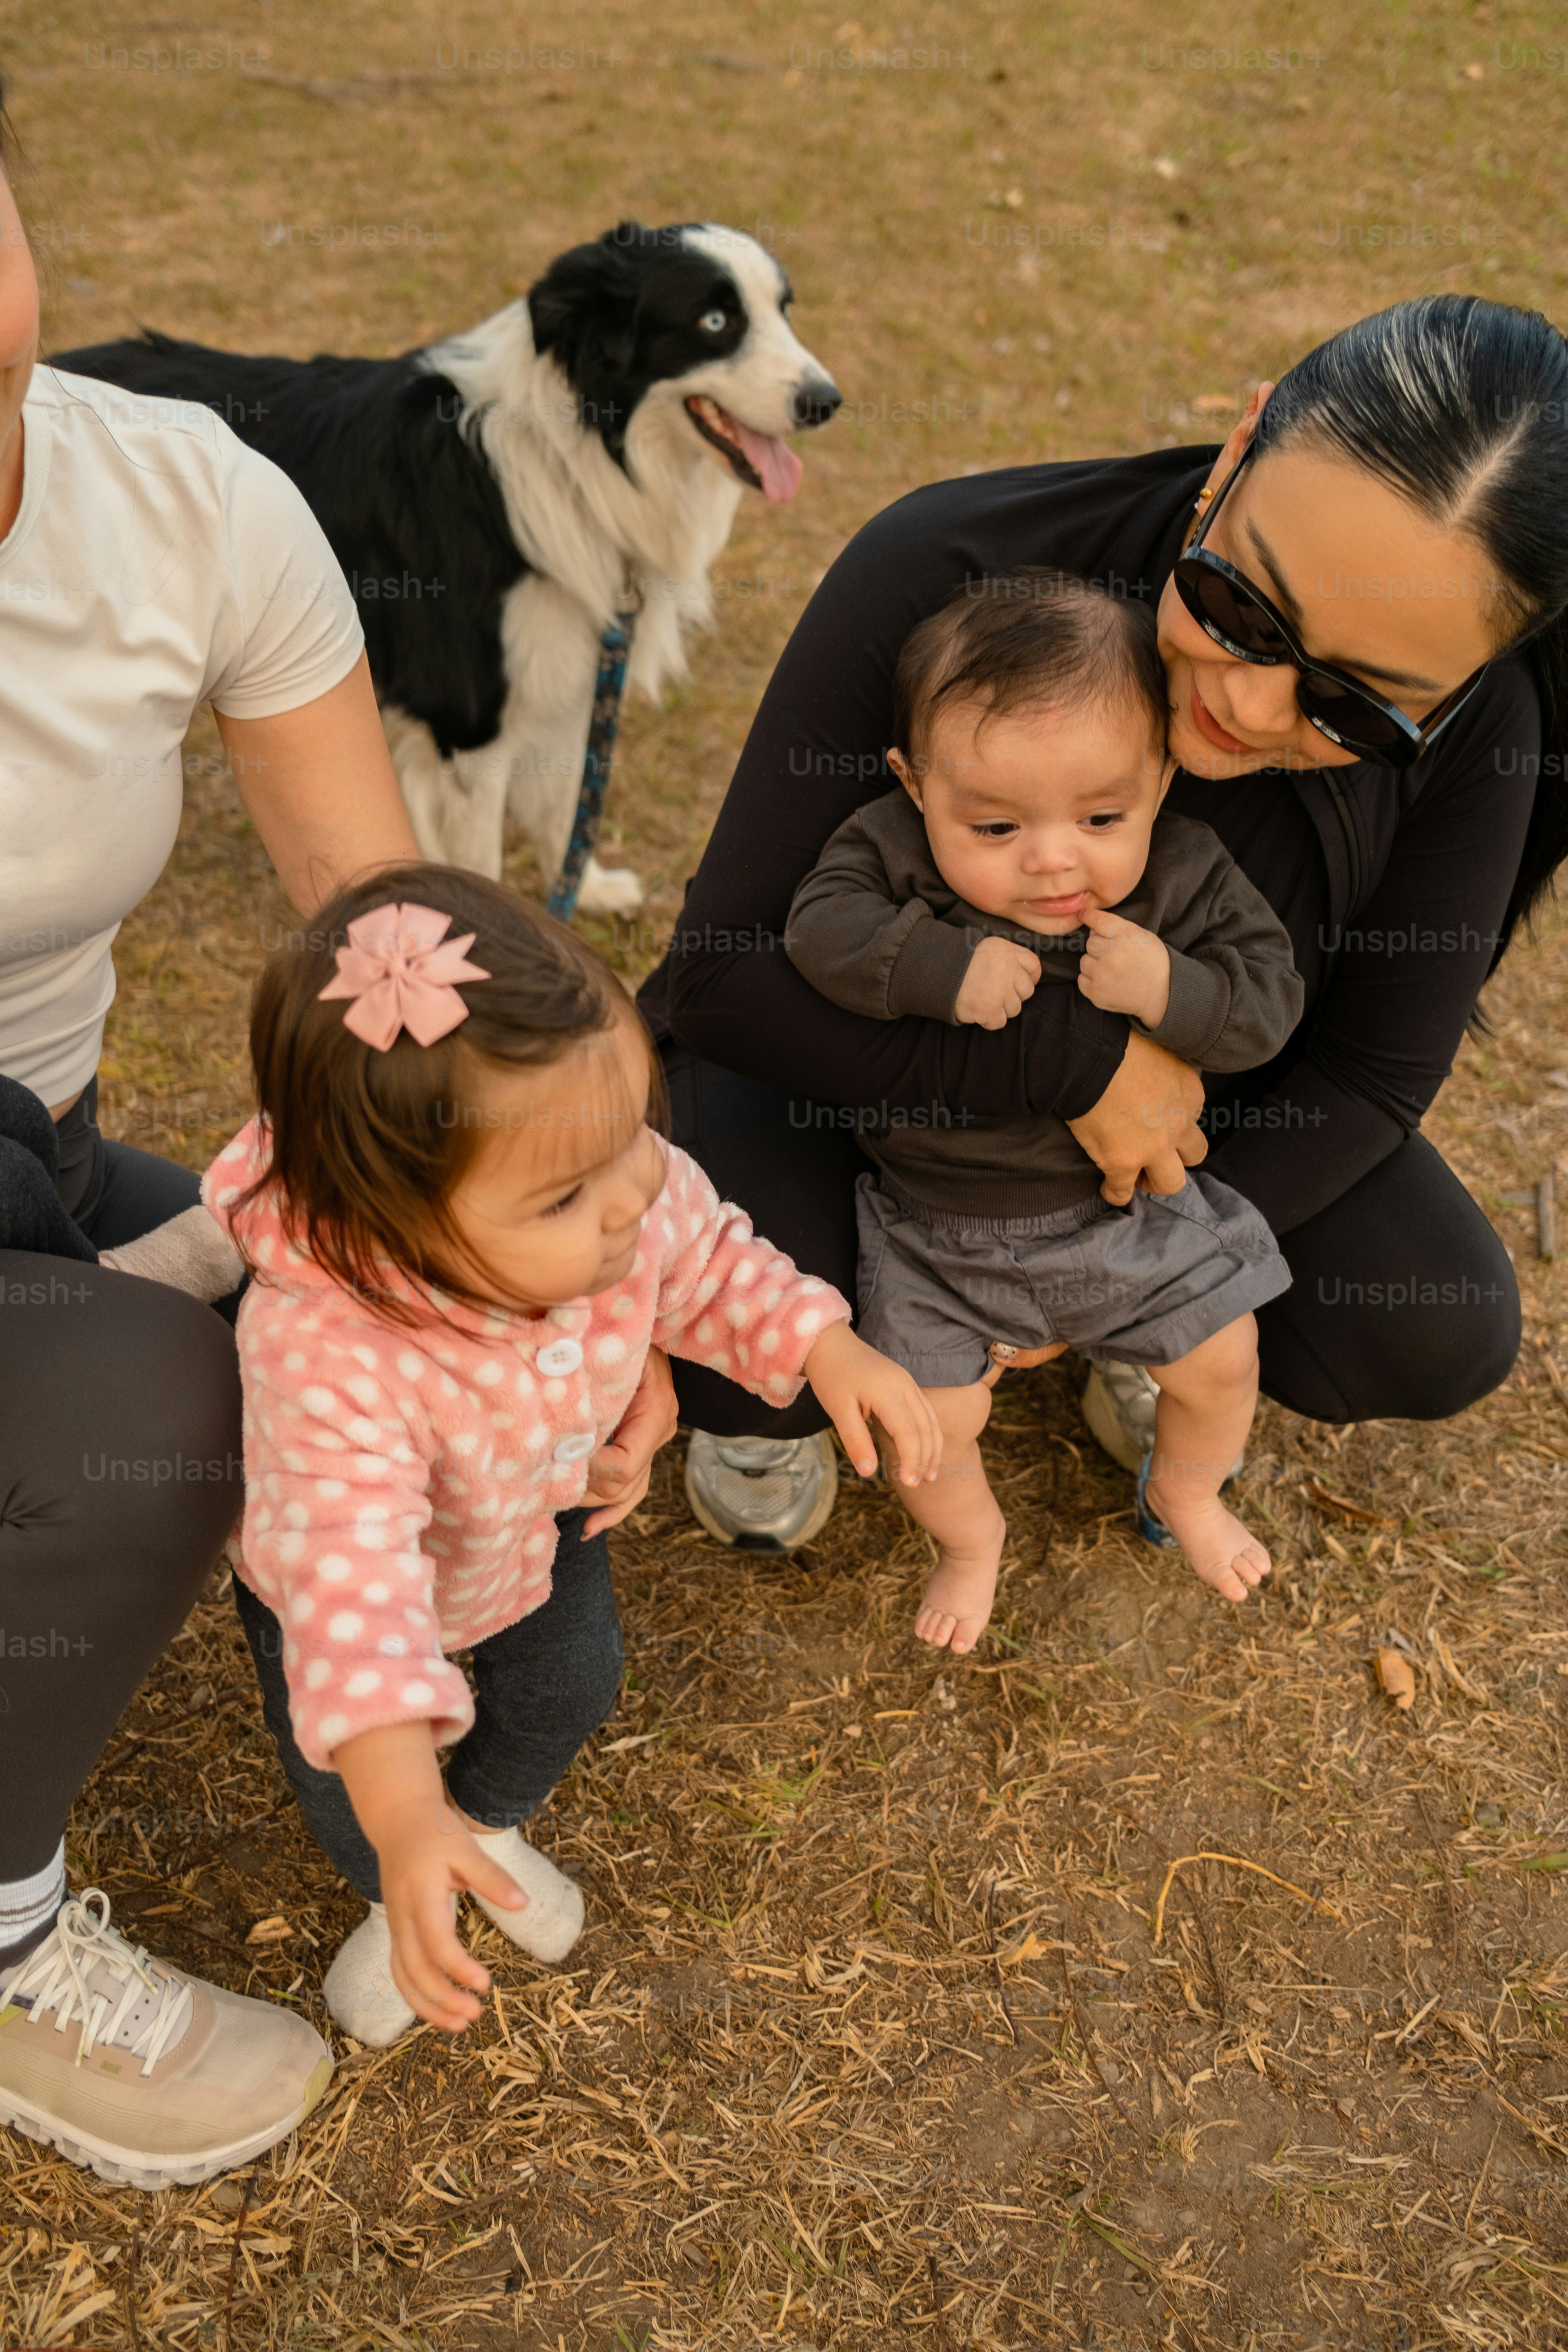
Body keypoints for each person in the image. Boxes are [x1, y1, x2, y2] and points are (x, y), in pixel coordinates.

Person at [0, 102, 683, 2192]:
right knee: (169, 1385)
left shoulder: (180, 498)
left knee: (350, 1323)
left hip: (44, 1136)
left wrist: (597, 1271)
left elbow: (419, 980)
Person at [650, 293, 1566, 1547]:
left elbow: (1369, 1077)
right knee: (726, 1329)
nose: (1247, 703)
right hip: (872, 1084)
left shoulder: (1480, 735)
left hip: (1179, 1140)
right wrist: (1070, 1062)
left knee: (1428, 1324)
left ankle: (1128, 1338)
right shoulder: (953, 564)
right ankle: (788, 1386)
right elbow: (713, 981)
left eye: (1353, 706)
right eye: (1244, 607)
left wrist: (1148, 1257)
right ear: (1241, 445)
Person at [202, 869, 939, 2045]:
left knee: (576, 1679)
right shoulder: (326, 1350)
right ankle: (413, 1877)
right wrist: (401, 1809)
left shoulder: (608, 1185)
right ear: (388, 1218)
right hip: (356, 1601)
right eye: (566, 1197)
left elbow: (711, 1259)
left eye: (633, 1133)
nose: (629, 1199)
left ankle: (486, 1825)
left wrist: (824, 1344)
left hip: (538, 1521)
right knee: (364, 1800)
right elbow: (351, 1579)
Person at [787, 572, 1302, 1649]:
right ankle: (971, 1542)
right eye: (996, 824)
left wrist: (1173, 987)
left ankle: (1189, 1493)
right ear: (915, 787)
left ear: (1161, 779)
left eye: (1102, 816)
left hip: (1129, 1222)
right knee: (938, 1422)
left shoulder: (1188, 877)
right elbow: (817, 928)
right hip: (933, 1231)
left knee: (1223, 1358)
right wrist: (935, 967)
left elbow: (1269, 1003)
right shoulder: (891, 854)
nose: (1055, 856)